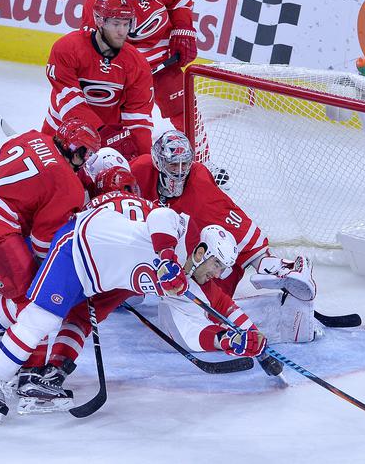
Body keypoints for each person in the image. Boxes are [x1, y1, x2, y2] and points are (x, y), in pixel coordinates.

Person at [0, 190, 265, 423]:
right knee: (40, 318)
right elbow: (161, 216)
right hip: (78, 247)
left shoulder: (187, 284)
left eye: (222, 269)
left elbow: (192, 330)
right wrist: (167, 257)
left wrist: (226, 340)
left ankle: (7, 354)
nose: (218, 274)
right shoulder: (182, 229)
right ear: (202, 251)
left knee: (63, 319)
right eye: (216, 264)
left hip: (99, 280)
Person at [0, 118, 100, 377]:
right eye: (86, 153)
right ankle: (30, 369)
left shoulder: (32, 137)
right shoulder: (68, 184)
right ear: (77, 150)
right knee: (35, 297)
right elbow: (44, 244)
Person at [130, 130, 319, 344]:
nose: (181, 172)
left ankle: (285, 286)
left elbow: (236, 226)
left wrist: (265, 262)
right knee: (133, 292)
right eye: (174, 165)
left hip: (206, 261)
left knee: (207, 310)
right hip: (164, 246)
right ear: (159, 162)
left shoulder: (199, 188)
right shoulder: (139, 170)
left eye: (185, 164)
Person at [81, 0, 197, 132]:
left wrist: (183, 29)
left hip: (164, 60)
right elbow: (91, 47)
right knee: (121, 127)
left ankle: (201, 156)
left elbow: (180, 2)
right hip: (128, 72)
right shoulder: (100, 2)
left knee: (184, 111)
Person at [42, 0, 155, 160]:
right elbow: (71, 101)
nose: (122, 31)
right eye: (116, 24)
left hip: (108, 143)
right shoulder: (67, 48)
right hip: (61, 132)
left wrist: (143, 161)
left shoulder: (137, 64)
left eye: (126, 24)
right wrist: (102, 133)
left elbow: (138, 118)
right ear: (100, 21)